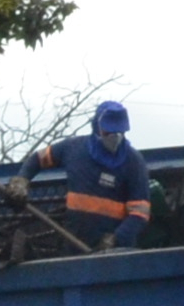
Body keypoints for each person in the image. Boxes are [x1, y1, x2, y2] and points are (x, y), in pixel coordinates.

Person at [35, 101, 152, 249]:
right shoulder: (74, 149)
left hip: (116, 252)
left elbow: (140, 213)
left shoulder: (133, 162)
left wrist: (116, 238)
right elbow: (38, 159)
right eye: (108, 133)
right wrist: (21, 180)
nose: (114, 138)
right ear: (97, 128)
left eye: (119, 133)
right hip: (74, 243)